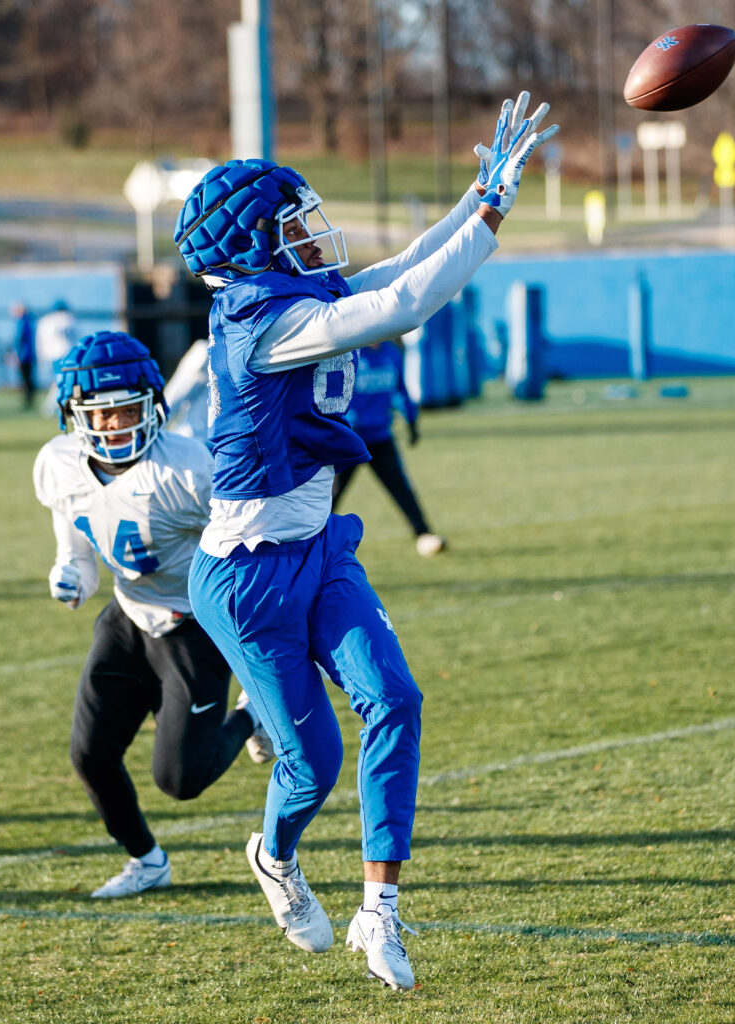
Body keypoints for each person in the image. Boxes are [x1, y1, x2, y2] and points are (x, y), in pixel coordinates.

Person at [173, 92, 558, 990]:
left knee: (395, 697)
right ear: (253, 248)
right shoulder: (264, 324)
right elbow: (405, 304)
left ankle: (377, 911)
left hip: (317, 552)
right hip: (246, 581)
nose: (317, 233)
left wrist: (475, 195)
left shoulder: (292, 295)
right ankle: (273, 856)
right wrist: (496, 209)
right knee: (311, 768)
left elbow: (401, 266)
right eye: (296, 224)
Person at [33, 330, 274, 900]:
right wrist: (72, 571)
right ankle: (146, 860)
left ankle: (252, 713)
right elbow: (76, 534)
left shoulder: (190, 467)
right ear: (75, 417)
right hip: (127, 616)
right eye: (102, 414)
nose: (115, 424)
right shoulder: (58, 463)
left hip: (194, 623)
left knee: (181, 781)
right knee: (90, 754)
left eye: (126, 410)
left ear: (153, 406)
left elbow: (249, 541)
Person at [332, 340, 446, 557]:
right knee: (332, 494)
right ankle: (307, 541)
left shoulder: (391, 353)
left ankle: (424, 533)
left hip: (381, 437)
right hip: (351, 441)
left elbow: (401, 389)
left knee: (401, 487)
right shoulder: (351, 354)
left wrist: (411, 421)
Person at [11, 303, 37, 408]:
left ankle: (27, 401)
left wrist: (16, 354)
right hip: (30, 355)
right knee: (29, 378)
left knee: (25, 379)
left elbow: (19, 339)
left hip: (24, 355)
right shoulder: (30, 321)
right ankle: (29, 400)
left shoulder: (22, 322)